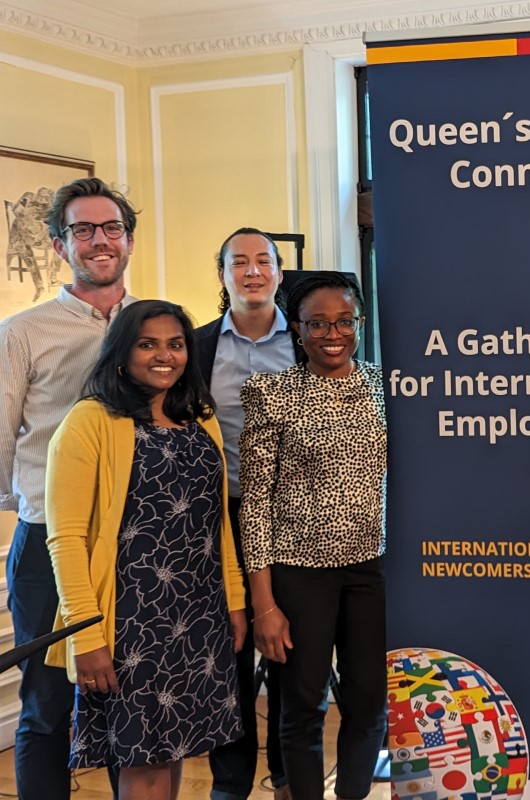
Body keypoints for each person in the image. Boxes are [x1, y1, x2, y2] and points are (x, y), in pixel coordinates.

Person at [43, 299, 248, 800]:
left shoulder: (200, 419)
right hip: (131, 621)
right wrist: (85, 636)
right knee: (145, 764)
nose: (165, 355)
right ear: (122, 353)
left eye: (176, 344)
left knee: (173, 750)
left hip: (199, 614)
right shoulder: (89, 421)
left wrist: (236, 600)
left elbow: (217, 521)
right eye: (148, 344)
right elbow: (65, 538)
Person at [0, 176, 139, 800]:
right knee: (48, 708)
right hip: (47, 549)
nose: (99, 241)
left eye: (110, 228)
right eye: (83, 230)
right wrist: (32, 502)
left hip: (135, 548)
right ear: (60, 245)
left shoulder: (151, 326)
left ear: (128, 240)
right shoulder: (24, 332)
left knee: (130, 709)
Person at [238, 271, 387, 800]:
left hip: (370, 567)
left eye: (345, 321)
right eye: (318, 323)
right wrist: (263, 604)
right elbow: (253, 503)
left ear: (359, 324)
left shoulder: (384, 387)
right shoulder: (271, 393)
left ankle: (352, 794)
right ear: (297, 330)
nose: (333, 333)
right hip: (298, 573)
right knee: (303, 703)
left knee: (369, 702)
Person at [195, 227, 296, 800]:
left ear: (280, 273)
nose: (253, 271)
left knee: (291, 649)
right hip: (221, 518)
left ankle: (287, 775)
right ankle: (230, 783)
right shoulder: (198, 346)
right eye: (240, 262)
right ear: (223, 275)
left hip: (295, 515)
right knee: (228, 651)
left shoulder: (308, 342)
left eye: (264, 261)